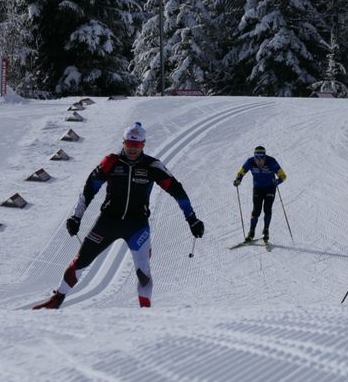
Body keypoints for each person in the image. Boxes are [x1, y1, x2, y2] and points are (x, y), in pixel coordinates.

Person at [33, 122, 204, 309]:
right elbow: (89, 189)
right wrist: (76, 217)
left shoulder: (152, 166)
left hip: (137, 226)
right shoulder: (111, 162)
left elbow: (177, 191)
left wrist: (192, 219)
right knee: (80, 261)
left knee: (143, 273)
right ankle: (56, 300)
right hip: (107, 223)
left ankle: (145, 312)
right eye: (129, 145)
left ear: (143, 145)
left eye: (137, 146)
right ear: (123, 142)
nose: (132, 149)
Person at [233, 145, 287, 242]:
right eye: (257, 159)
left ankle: (266, 230)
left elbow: (283, 176)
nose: (259, 162)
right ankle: (251, 232)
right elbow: (241, 172)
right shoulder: (250, 162)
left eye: (261, 159)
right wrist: (238, 180)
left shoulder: (271, 161)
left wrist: (277, 181)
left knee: (267, 208)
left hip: (270, 187)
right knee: (256, 210)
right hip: (258, 188)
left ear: (265, 157)